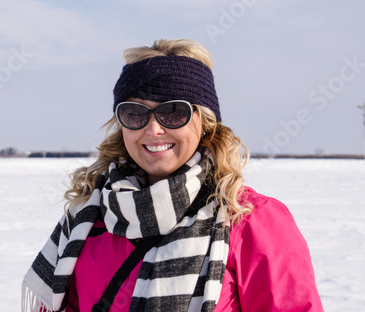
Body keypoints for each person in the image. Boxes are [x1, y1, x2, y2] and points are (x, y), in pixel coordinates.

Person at [22, 39, 324, 312]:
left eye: (173, 112)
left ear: (205, 122)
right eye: (135, 114)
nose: (153, 130)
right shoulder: (90, 219)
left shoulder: (249, 220)